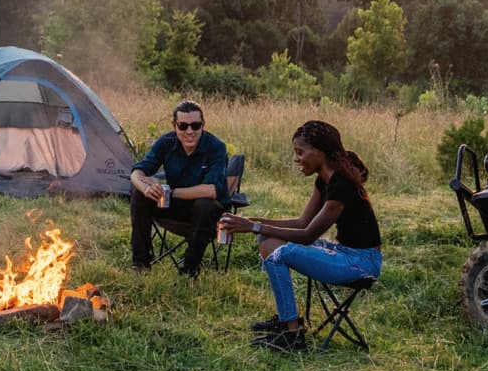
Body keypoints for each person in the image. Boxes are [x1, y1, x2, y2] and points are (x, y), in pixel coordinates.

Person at [222, 119, 382, 354]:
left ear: (319, 152)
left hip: (362, 263)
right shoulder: (324, 180)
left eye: (300, 152)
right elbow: (301, 222)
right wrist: (250, 223)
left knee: (281, 252)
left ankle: (293, 336)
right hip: (342, 253)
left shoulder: (341, 185)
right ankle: (289, 319)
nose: (296, 159)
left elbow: (307, 235)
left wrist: (253, 226)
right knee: (269, 241)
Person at [127, 101, 231, 277]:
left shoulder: (216, 147)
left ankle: (190, 270)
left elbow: (210, 190)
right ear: (174, 125)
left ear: (203, 124)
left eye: (195, 125)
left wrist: (170, 192)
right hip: (174, 206)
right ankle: (141, 263)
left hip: (208, 214)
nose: (189, 131)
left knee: (204, 204)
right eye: (183, 126)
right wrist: (146, 188)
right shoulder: (166, 142)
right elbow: (137, 172)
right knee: (138, 195)